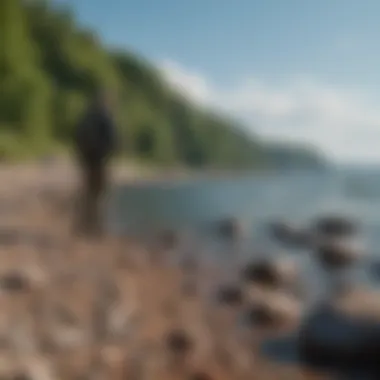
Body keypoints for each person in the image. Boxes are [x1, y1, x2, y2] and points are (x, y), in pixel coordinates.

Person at [74, 89, 118, 237]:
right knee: (99, 194)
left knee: (88, 193)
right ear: (106, 101)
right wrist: (109, 156)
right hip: (100, 161)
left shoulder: (87, 117)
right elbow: (112, 140)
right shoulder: (105, 117)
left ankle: (83, 225)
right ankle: (96, 228)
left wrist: (81, 157)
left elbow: (77, 137)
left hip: (87, 161)